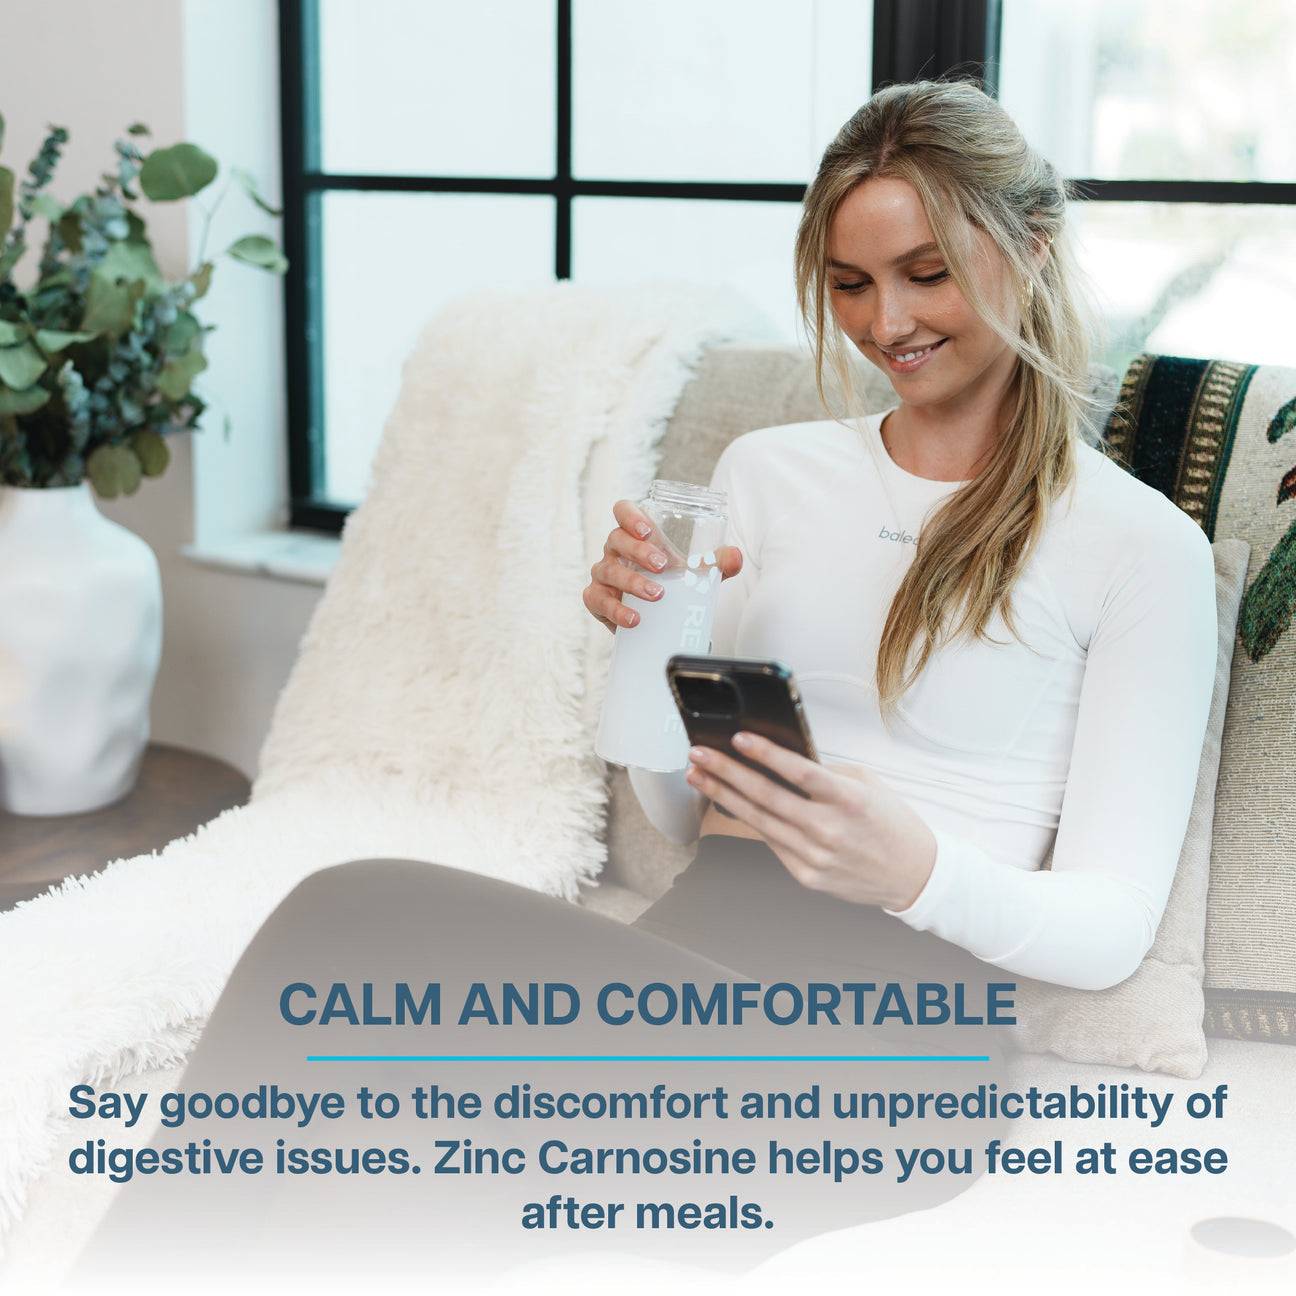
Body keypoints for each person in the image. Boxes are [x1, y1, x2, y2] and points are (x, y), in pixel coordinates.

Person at [81, 79, 1216, 1286]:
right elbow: (680, 815)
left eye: (925, 273)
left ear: (1030, 250)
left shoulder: (1137, 547)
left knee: (347, 919)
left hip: (882, 1060)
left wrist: (916, 871)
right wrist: (649, 639)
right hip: (682, 974)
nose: (886, 322)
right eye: (848, 284)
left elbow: (1110, 929)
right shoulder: (769, 473)